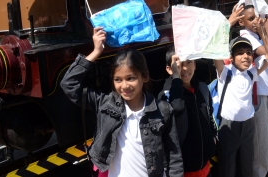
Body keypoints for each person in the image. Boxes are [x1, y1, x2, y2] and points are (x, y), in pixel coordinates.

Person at [60, 27, 182, 176]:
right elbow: (69, 84)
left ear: (144, 77)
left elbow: (174, 157)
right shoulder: (105, 105)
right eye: (118, 80)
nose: (124, 86)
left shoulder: (162, 110)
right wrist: (96, 51)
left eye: (130, 78)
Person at [213, 36, 268, 177]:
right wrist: (227, 26)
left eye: (249, 53)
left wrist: (262, 30)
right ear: (231, 57)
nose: (246, 56)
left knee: (248, 164)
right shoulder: (225, 72)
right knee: (227, 167)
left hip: (248, 126)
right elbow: (215, 54)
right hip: (229, 126)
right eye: (240, 53)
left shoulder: (251, 74)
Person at [159, 46, 217, 177]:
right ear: (169, 69)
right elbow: (177, 106)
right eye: (179, 64)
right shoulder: (166, 95)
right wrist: (176, 77)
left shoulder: (202, 88)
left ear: (195, 64)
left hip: (205, 166)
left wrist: (213, 137)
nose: (185, 68)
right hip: (184, 170)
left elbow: (210, 116)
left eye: (189, 62)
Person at [238, 5, 268, 177]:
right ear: (241, 22)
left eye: (257, 17)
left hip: (261, 93)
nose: (256, 21)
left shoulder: (255, 36)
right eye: (251, 19)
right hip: (256, 96)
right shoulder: (247, 37)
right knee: (260, 143)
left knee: (262, 141)